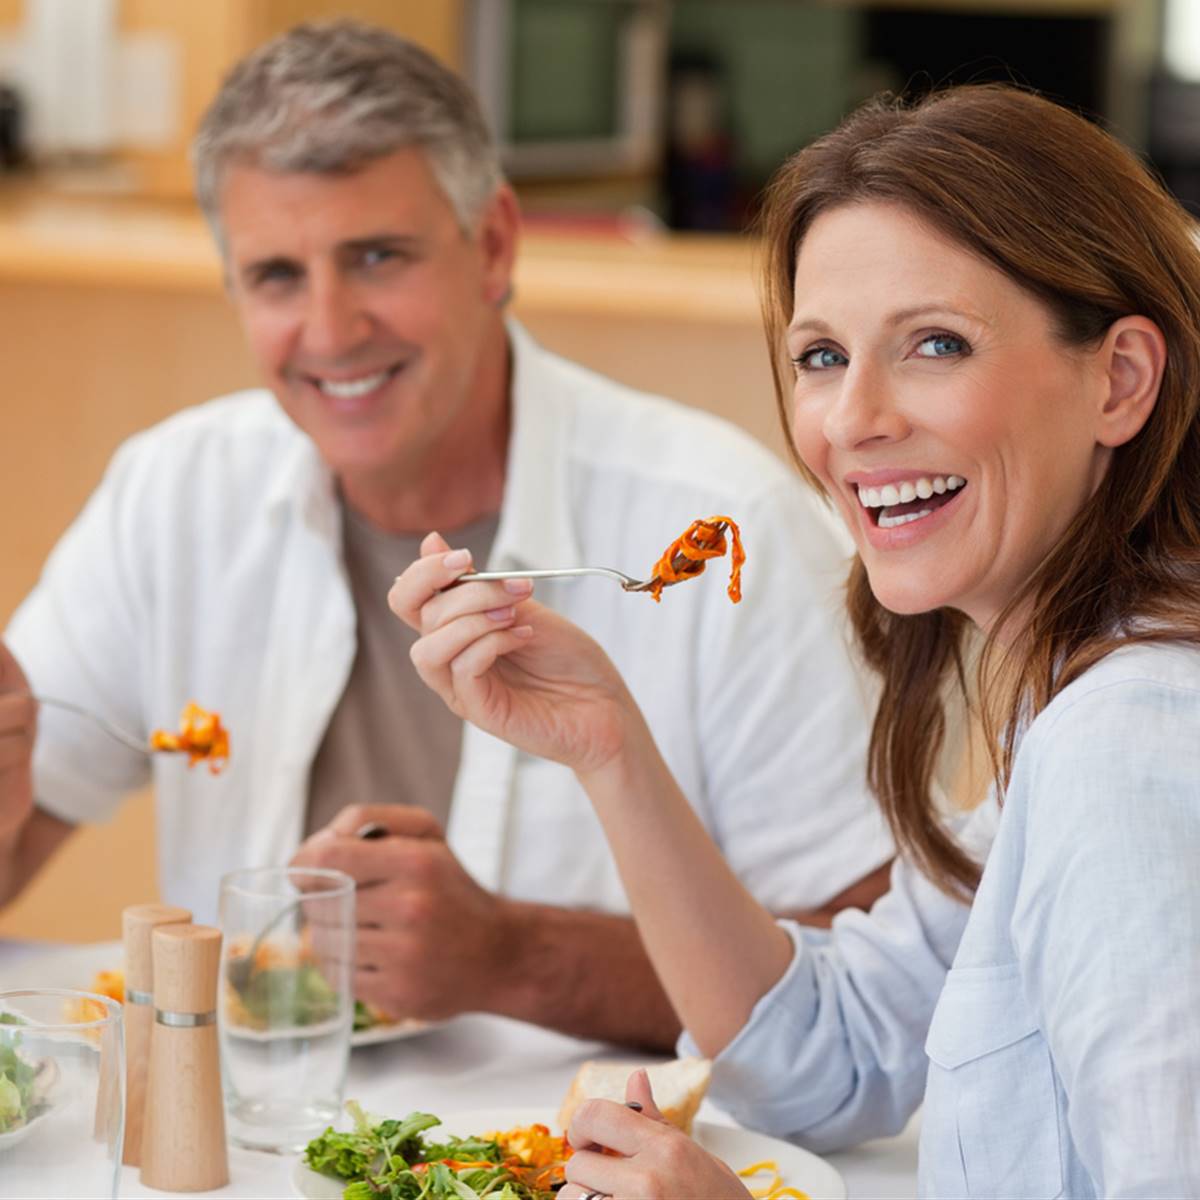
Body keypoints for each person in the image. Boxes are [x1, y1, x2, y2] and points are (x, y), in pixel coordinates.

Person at [0, 20, 892, 1050]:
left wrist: (517, 957)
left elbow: (863, 998)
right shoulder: (174, 493)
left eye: (377, 257)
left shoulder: (721, 535)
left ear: (496, 245)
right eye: (278, 276)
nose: (330, 331)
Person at [391, 81, 1200, 1195]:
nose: (853, 419)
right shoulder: (1064, 707)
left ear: (1119, 381)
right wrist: (609, 748)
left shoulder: (1132, 748)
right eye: (822, 356)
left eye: (936, 344)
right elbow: (824, 1060)